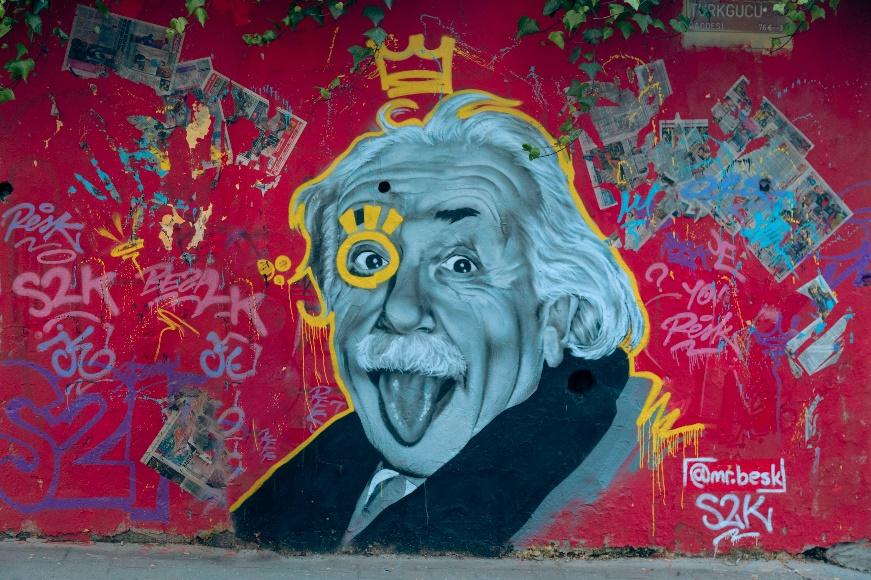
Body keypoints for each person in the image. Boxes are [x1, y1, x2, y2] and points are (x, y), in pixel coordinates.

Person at [232, 90, 649, 555]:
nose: (401, 310)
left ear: (556, 316)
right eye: (370, 260)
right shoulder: (303, 487)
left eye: (461, 265)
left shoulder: (625, 481)